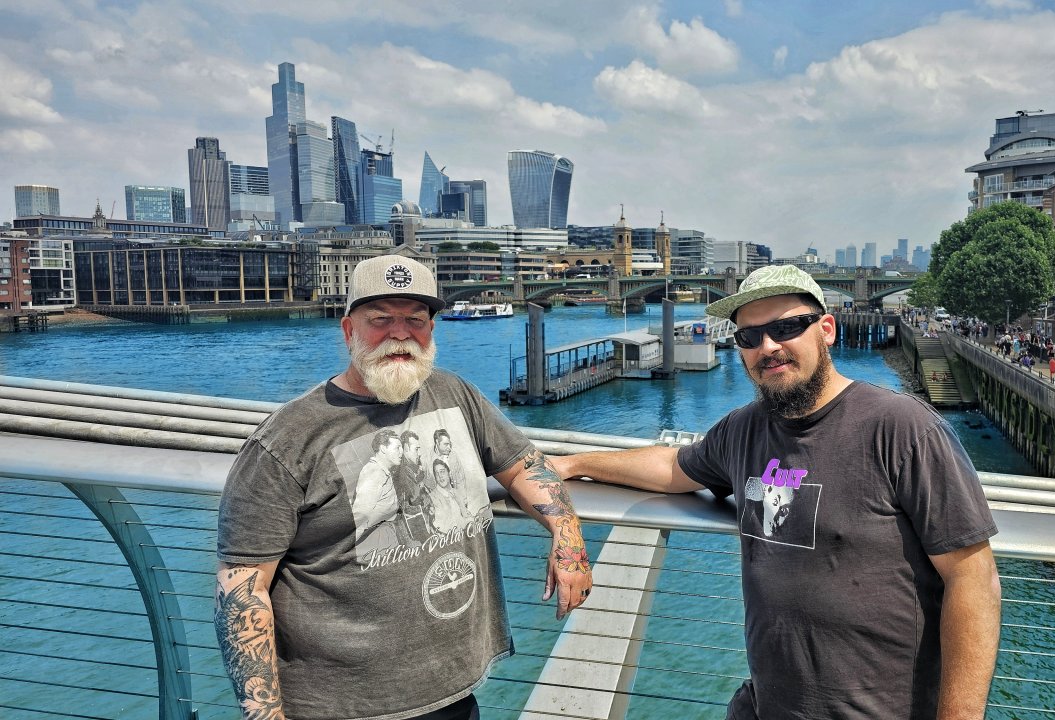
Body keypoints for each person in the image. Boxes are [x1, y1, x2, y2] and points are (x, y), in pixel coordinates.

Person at [549, 265, 1001, 720]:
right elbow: (672, 467)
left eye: (785, 328)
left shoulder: (904, 429)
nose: (767, 347)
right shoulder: (742, 429)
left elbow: (974, 580)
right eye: (749, 337)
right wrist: (572, 465)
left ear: (826, 329)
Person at [215, 255, 593, 720]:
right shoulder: (286, 440)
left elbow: (522, 465)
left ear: (431, 330)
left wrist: (567, 535)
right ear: (349, 330)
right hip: (341, 707)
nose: (400, 334)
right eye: (381, 320)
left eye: (415, 320)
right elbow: (243, 589)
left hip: (453, 690)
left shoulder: (456, 394)